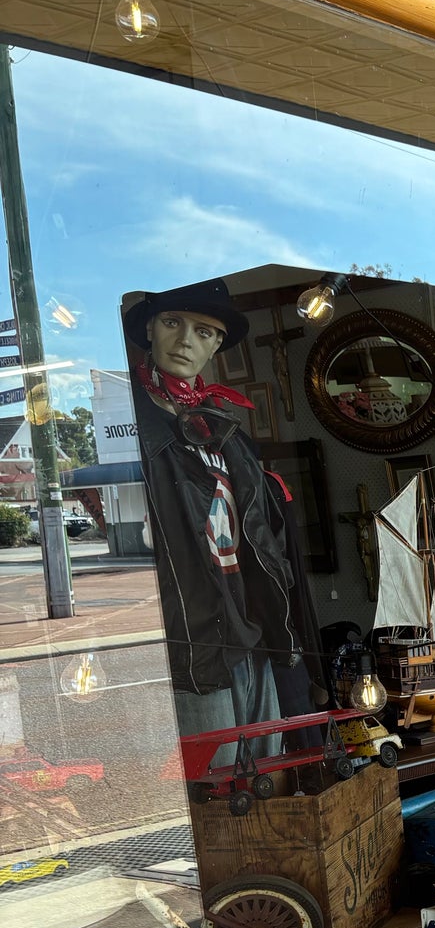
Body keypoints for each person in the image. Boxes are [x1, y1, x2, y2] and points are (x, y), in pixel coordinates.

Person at [124, 278, 324, 750]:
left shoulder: (226, 429)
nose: (187, 340)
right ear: (151, 328)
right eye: (173, 322)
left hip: (250, 630)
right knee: (212, 788)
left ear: (216, 345)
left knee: (267, 778)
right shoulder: (128, 424)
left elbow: (259, 537)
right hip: (194, 644)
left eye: (205, 331)